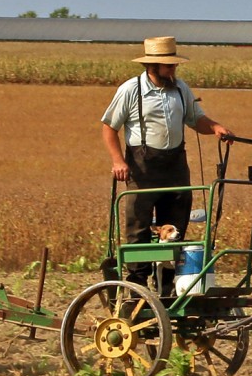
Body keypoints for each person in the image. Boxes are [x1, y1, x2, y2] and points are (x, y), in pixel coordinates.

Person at [99, 36, 232, 284]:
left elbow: (195, 119)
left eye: (174, 65)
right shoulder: (131, 90)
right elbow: (109, 127)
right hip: (142, 167)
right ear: (153, 66)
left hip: (175, 165)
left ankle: (168, 286)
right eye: (169, 65)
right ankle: (137, 284)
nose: (173, 69)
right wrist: (118, 161)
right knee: (138, 226)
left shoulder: (181, 89)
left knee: (176, 224)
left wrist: (215, 127)